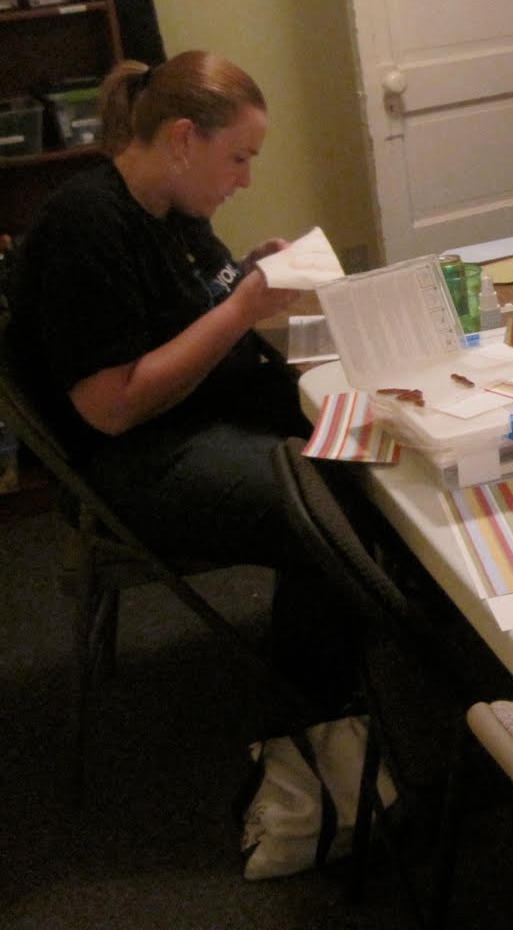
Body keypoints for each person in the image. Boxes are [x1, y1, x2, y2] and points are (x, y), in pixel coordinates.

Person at [4, 50, 357, 718]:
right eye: (238, 158)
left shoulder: (173, 209)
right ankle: (314, 723)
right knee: (326, 501)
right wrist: (242, 307)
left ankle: (382, 631)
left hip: (204, 410)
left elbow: (188, 308)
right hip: (132, 457)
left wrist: (245, 273)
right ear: (183, 139)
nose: (246, 180)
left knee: (364, 427)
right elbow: (112, 408)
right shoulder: (87, 226)